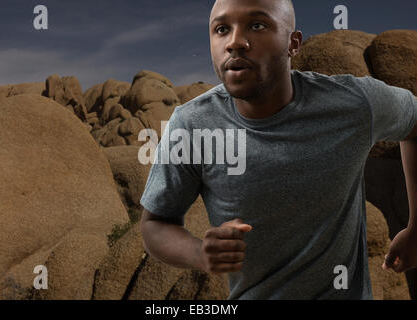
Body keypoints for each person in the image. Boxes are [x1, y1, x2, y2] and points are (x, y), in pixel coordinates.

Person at [139, 0, 417, 299]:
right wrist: (198, 253)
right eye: (221, 29)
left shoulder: (354, 104)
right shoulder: (193, 124)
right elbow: (155, 224)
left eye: (257, 25)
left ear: (293, 44)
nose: (234, 42)